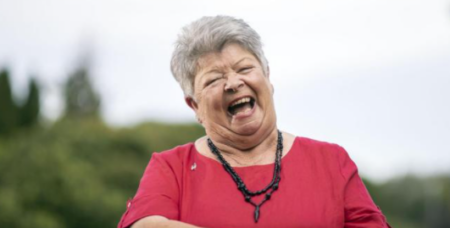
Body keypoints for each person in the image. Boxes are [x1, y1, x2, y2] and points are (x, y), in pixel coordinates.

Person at [118, 16, 391, 228]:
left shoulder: (331, 162)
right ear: (195, 106)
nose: (234, 83)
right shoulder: (171, 168)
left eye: (245, 68)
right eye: (213, 79)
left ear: (268, 77)